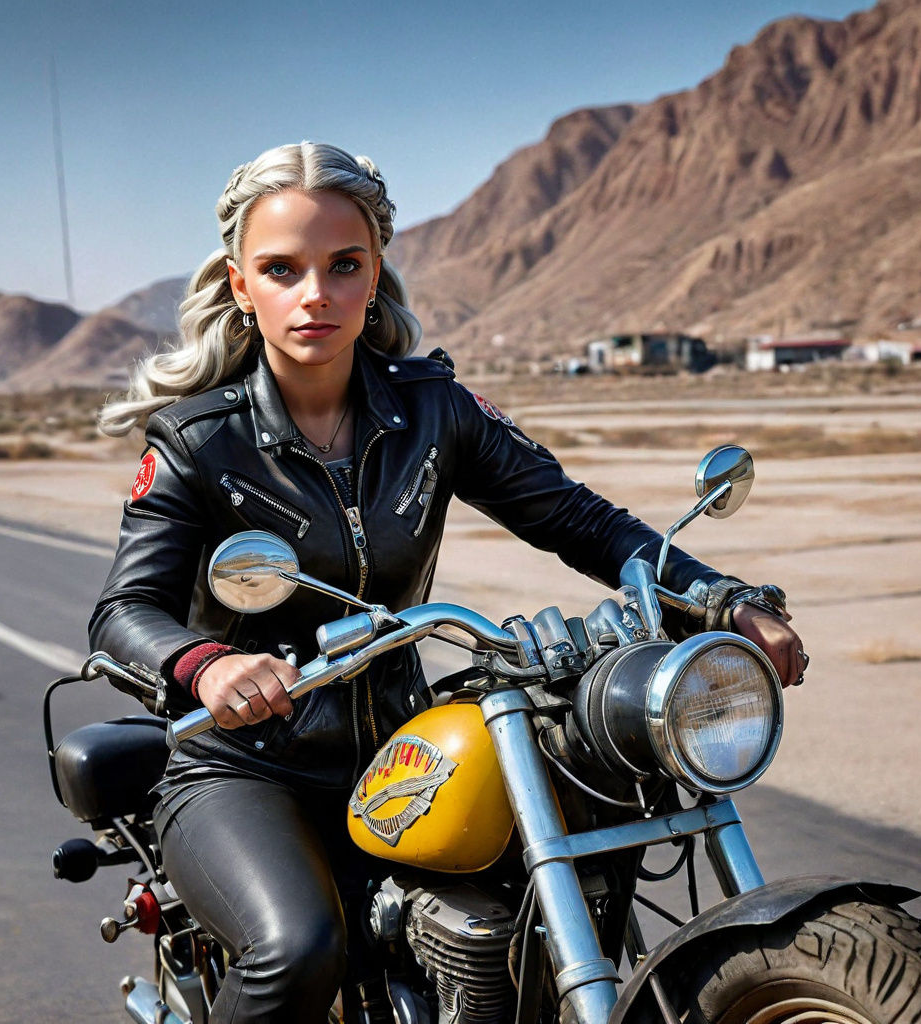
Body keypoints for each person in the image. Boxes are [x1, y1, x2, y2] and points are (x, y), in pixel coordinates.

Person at [90, 141, 805, 1024]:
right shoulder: (199, 443)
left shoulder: (434, 408)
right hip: (243, 766)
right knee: (297, 947)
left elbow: (582, 521)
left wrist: (725, 598)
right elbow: (125, 610)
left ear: (375, 273)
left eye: (342, 265)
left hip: (400, 753)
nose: (315, 294)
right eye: (282, 269)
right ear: (242, 287)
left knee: (555, 887)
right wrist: (208, 666)